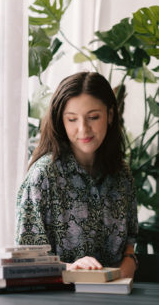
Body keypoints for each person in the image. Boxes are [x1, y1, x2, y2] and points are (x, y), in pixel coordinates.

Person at [16, 71, 138, 278]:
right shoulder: (42, 177)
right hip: (58, 297)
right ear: (60, 121)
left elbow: (129, 244)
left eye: (93, 117)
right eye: (72, 119)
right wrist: (71, 268)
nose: (83, 129)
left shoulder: (122, 175)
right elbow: (26, 260)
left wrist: (122, 269)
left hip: (115, 294)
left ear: (109, 115)